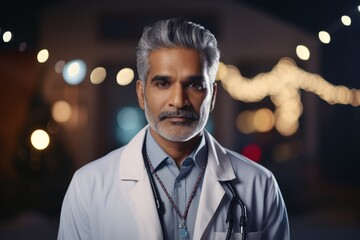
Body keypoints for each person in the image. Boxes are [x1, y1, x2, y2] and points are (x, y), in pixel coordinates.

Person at [57, 18, 290, 240]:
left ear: (213, 95)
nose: (178, 101)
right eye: (163, 83)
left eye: (194, 84)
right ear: (141, 94)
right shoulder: (88, 187)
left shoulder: (260, 185)